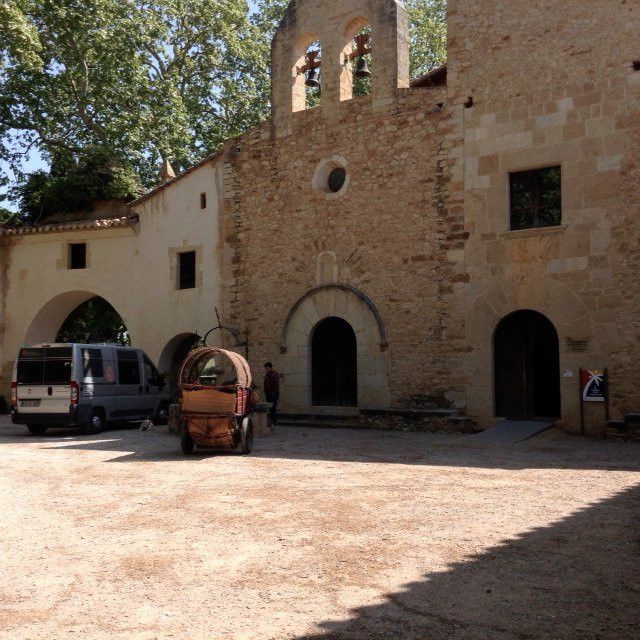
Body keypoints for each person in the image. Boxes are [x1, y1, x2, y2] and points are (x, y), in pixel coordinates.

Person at [263, 361, 280, 426]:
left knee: (273, 407)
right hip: (268, 393)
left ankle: (274, 421)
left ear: (270, 368)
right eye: (265, 368)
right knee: (270, 408)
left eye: (267, 368)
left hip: (274, 394)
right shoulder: (266, 375)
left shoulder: (274, 375)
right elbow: (265, 384)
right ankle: (271, 421)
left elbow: (276, 385)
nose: (266, 370)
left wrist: (274, 393)